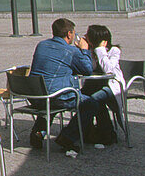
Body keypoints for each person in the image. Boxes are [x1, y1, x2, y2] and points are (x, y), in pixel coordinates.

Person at [29, 17, 113, 152]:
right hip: (56, 96)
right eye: (74, 33)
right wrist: (84, 50)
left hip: (35, 95)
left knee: (48, 103)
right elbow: (87, 69)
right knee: (90, 103)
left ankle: (38, 133)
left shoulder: (41, 45)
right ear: (69, 34)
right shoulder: (70, 51)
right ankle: (67, 137)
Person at [85, 23, 124, 147]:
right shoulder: (90, 51)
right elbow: (86, 68)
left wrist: (100, 50)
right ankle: (89, 131)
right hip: (95, 83)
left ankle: (107, 133)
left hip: (112, 86)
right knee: (84, 97)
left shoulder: (114, 51)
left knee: (94, 99)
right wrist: (83, 51)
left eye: (88, 35)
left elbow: (108, 69)